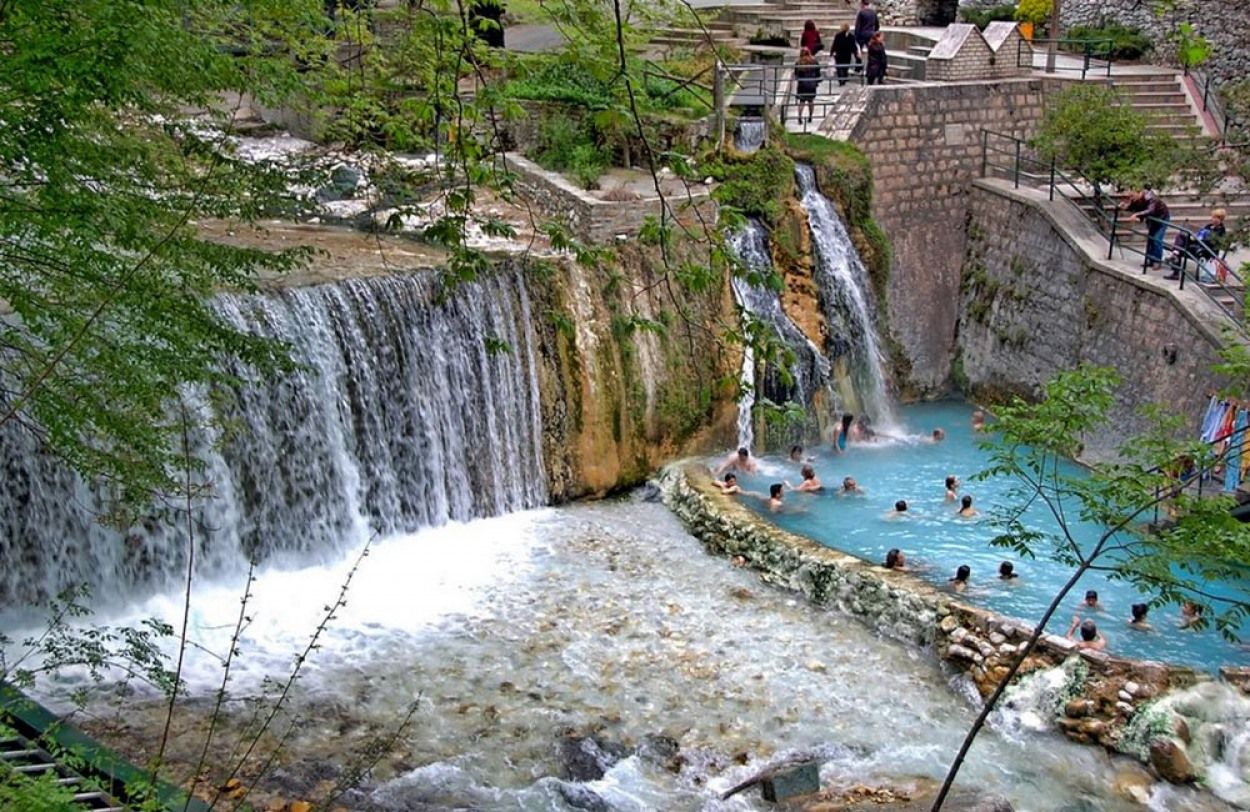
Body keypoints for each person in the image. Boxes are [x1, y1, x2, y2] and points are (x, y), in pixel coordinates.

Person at [1166, 208, 1228, 282]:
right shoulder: (1209, 226)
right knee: (1180, 236)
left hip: (1206, 250)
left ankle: (1175, 259)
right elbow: (1200, 234)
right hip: (1198, 244)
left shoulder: (1221, 231)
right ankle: (1175, 253)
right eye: (1213, 217)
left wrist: (1200, 239)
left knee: (1181, 248)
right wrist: (1196, 238)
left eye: (1216, 218)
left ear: (1221, 219)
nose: (1213, 219)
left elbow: (1212, 243)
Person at [1121, 188, 1171, 270]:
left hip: (1162, 218)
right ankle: (1150, 259)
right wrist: (1124, 207)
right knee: (1151, 240)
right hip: (1152, 220)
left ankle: (1157, 261)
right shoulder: (1136, 199)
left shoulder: (1150, 197)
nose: (1131, 198)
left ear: (1139, 192)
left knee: (1157, 239)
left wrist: (1137, 214)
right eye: (1129, 196)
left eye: (1132, 195)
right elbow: (1132, 207)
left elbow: (1151, 210)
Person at [794, 47, 822, 126]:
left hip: (802, 84)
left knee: (801, 102)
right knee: (811, 101)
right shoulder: (814, 61)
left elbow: (796, 74)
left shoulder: (799, 62)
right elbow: (818, 72)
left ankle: (799, 117)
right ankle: (810, 116)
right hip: (812, 84)